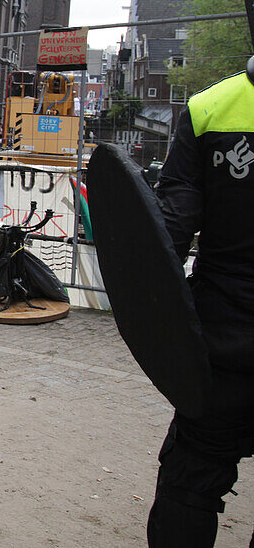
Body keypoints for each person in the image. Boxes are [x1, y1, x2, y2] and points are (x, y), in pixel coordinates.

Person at [146, 65, 254, 547]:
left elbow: (171, 229)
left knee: (191, 479)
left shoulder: (211, 106)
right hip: (224, 330)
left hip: (225, 333)